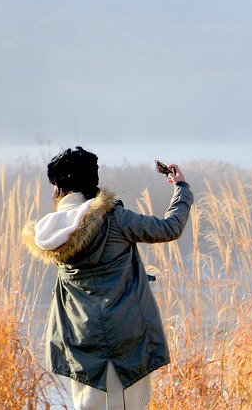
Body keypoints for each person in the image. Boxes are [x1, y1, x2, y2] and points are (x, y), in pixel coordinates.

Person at [22, 147, 192, 410]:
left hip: (82, 342)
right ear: (93, 182)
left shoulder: (51, 234)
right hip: (126, 340)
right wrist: (181, 188)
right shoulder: (115, 218)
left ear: (58, 188)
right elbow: (170, 228)